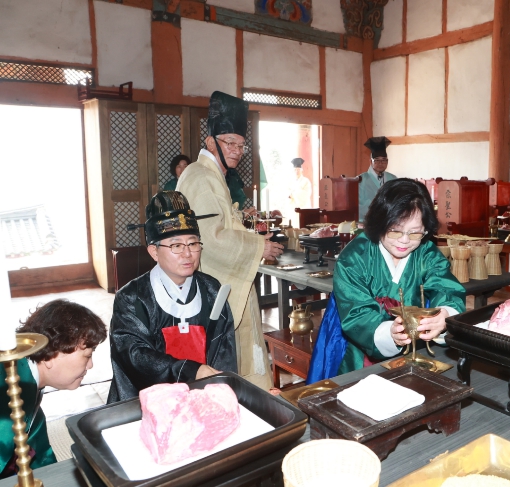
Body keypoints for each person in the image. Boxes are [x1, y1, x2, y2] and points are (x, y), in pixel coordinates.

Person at [308, 179, 465, 381]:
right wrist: (389, 334)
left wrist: (445, 315)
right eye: (395, 230)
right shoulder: (355, 257)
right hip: (357, 345)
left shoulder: (426, 253)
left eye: (415, 233)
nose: (404, 240)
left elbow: (446, 288)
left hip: (414, 349)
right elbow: (357, 314)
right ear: (380, 222)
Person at [176, 91, 282, 390]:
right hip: (214, 286)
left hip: (224, 281)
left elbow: (220, 222)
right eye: (230, 143)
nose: (236, 150)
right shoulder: (201, 176)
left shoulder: (211, 174)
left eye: (241, 145)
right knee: (227, 360)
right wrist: (260, 246)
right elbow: (212, 238)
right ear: (210, 142)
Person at [107, 191, 237, 402]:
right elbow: (135, 356)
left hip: (203, 396)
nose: (188, 254)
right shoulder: (132, 298)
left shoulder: (212, 289)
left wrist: (221, 392)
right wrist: (190, 371)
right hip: (148, 401)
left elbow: (224, 353)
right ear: (154, 252)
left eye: (193, 243)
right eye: (176, 246)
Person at [0, 300, 106, 477]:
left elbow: (39, 454)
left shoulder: (29, 381)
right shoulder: (9, 392)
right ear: (51, 354)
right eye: (87, 356)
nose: (90, 365)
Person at [358, 136, 397, 220]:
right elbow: (358, 204)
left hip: (388, 220)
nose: (380, 163)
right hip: (367, 220)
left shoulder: (393, 179)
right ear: (370, 161)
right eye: (376, 160)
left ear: (387, 161)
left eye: (384, 160)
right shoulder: (361, 179)